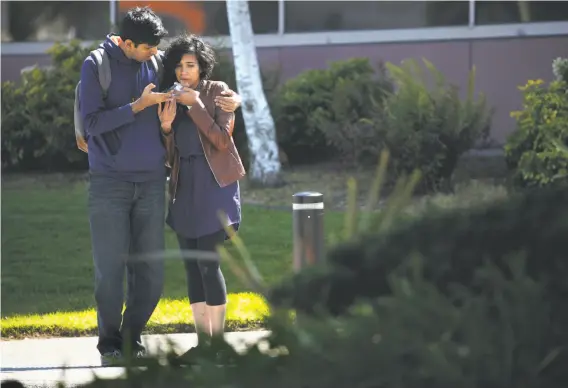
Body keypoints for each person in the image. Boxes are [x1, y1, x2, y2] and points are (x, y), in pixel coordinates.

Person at [79, 7, 241, 366]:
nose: (157, 55)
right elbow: (91, 123)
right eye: (148, 49)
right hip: (110, 183)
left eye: (158, 48)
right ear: (126, 43)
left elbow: (201, 86)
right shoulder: (97, 65)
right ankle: (110, 343)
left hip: (153, 182)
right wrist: (137, 106)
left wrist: (233, 99)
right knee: (110, 270)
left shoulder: (157, 62)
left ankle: (132, 336)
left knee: (151, 273)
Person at [157, 34, 246, 361]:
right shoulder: (170, 97)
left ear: (202, 66)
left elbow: (222, 141)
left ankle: (218, 344)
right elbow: (170, 157)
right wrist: (166, 129)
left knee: (208, 264)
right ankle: (202, 344)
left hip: (215, 188)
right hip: (184, 188)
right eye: (179, 65)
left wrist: (194, 104)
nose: (184, 71)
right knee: (192, 266)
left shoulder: (218, 92)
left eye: (190, 65)